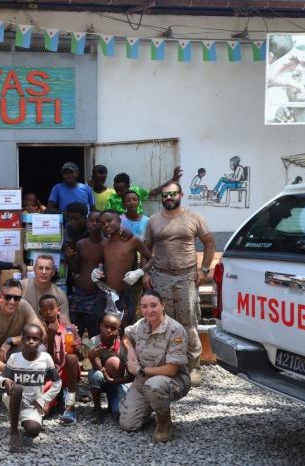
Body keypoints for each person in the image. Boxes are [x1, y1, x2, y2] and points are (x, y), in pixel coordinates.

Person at [143, 181, 215, 387]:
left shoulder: (194, 217)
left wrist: (204, 270)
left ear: (180, 195)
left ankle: (193, 365)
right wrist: (145, 273)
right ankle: (170, 365)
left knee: (188, 322)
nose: (168, 198)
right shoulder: (153, 221)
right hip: (161, 277)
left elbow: (209, 242)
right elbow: (146, 249)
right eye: (165, 195)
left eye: (172, 194)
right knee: (164, 323)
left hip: (187, 277)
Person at [119, 290, 191, 442]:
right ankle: (153, 404)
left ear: (163, 305)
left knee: (154, 386)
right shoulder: (141, 325)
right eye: (144, 306)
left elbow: (172, 370)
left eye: (153, 305)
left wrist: (139, 370)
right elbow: (125, 336)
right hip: (143, 380)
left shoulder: (175, 330)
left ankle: (165, 422)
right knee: (128, 424)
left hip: (170, 380)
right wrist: (131, 349)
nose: (149, 310)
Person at [0, 324, 62, 452]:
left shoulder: (46, 358)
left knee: (33, 430)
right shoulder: (15, 358)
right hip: (13, 399)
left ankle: (27, 420)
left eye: (35, 338)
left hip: (33, 404)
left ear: (40, 341)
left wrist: (43, 399)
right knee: (18, 388)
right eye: (27, 338)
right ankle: (14, 433)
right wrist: (6, 382)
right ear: (22, 340)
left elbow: (57, 383)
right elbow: (0, 379)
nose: (31, 341)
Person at [92, 210, 153, 329]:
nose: (106, 225)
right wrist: (95, 272)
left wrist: (139, 272)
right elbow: (101, 264)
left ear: (119, 221)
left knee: (126, 328)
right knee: (107, 328)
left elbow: (151, 259)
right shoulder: (103, 244)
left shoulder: (132, 240)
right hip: (106, 294)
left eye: (109, 221)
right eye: (103, 223)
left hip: (125, 293)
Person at [0, 279, 44, 390]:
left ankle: (27, 385)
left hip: (11, 353)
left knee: (39, 349)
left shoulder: (24, 306)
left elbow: (42, 334)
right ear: (1, 295)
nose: (12, 301)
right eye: (8, 297)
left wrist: (11, 341)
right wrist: (8, 369)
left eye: (16, 298)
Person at [38, 294, 81, 425]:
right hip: (50, 376)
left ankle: (70, 405)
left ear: (59, 310)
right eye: (45, 309)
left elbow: (81, 354)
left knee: (71, 358)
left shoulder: (69, 329)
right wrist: (50, 340)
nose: (49, 312)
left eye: (52, 308)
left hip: (68, 374)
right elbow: (47, 362)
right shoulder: (40, 333)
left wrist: (79, 349)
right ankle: (56, 400)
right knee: (41, 409)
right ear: (41, 313)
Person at [87, 309, 133, 424]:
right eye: (105, 326)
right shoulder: (94, 341)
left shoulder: (123, 347)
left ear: (118, 331)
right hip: (100, 378)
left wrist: (114, 380)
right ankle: (97, 408)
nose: (108, 330)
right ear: (100, 326)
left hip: (117, 381)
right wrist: (102, 370)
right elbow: (90, 366)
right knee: (96, 376)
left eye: (112, 328)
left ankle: (112, 400)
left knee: (118, 412)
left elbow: (132, 375)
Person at [69, 210, 105, 337]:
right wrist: (69, 258)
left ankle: (94, 356)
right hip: (79, 293)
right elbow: (77, 269)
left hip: (97, 295)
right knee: (75, 333)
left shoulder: (107, 245)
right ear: (87, 222)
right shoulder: (81, 244)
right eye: (91, 221)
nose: (94, 224)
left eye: (98, 221)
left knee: (95, 334)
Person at [104, 167, 183, 215]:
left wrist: (173, 180)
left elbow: (155, 192)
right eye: (115, 189)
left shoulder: (136, 191)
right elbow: (108, 216)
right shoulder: (112, 199)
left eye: (121, 190)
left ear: (128, 186)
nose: (118, 192)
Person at [20, 255, 71, 325]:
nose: (44, 272)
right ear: (34, 270)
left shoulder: (60, 294)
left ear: (53, 272)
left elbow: (65, 322)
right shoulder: (22, 286)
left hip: (49, 332)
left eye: (47, 268)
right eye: (40, 268)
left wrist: (70, 332)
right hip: (25, 332)